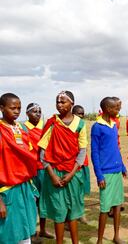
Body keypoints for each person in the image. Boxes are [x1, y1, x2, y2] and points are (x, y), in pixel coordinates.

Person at [38, 91, 88, 244]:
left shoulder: (80, 123)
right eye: (57, 102)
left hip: (72, 173)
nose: (59, 105)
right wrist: (52, 175)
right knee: (59, 212)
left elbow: (82, 151)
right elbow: (42, 152)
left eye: (63, 102)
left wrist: (72, 173)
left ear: (71, 103)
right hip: (54, 172)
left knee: (73, 212)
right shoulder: (52, 123)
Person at [0, 93, 38, 244]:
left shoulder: (21, 128)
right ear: (2, 108)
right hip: (6, 191)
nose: (16, 111)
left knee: (25, 230)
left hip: (24, 188)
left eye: (19, 108)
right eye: (12, 108)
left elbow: (28, 157)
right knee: (8, 234)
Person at [91, 97, 127, 244]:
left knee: (117, 204)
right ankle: (99, 240)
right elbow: (94, 153)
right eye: (115, 108)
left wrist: (122, 166)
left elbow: (115, 149)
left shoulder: (113, 125)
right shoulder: (97, 127)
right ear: (107, 108)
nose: (117, 110)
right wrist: (99, 176)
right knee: (105, 208)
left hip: (116, 171)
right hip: (105, 173)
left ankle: (116, 236)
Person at [24, 103, 54, 240]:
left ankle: (42, 229)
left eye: (40, 111)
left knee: (43, 200)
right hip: (30, 170)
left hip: (43, 169)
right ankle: (31, 231)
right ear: (27, 114)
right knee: (31, 201)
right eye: (34, 111)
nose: (38, 113)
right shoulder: (23, 128)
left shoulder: (44, 127)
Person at [72, 105, 90, 224]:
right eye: (78, 113)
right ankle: (72, 216)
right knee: (73, 192)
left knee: (81, 190)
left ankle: (80, 213)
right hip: (73, 164)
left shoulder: (82, 125)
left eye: (82, 113)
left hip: (84, 162)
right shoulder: (68, 127)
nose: (81, 116)